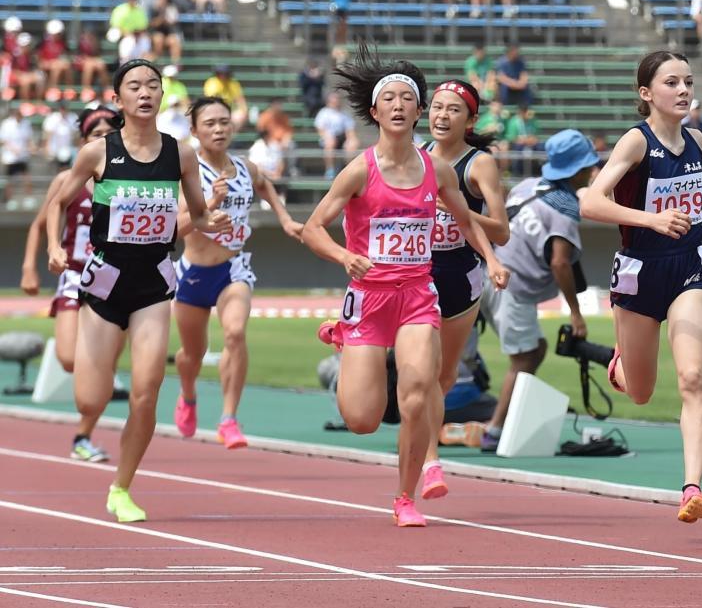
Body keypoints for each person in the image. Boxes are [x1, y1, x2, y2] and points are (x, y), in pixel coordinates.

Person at [303, 44, 508, 527]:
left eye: (406, 98)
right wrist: (343, 254)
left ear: (418, 110)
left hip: (418, 293)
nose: (398, 105)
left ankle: (404, 496)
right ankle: (342, 338)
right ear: (375, 111)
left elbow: (467, 220)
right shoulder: (359, 170)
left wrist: (492, 258)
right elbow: (312, 227)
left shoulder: (435, 170)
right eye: (388, 99)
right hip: (370, 297)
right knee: (362, 419)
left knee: (419, 389)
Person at [579, 51, 702, 524]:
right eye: (672, 83)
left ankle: (692, 488)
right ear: (647, 94)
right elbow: (590, 202)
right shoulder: (635, 143)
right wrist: (651, 219)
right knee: (641, 392)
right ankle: (621, 361)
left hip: (689, 265)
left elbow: (698, 186)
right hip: (638, 271)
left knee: (692, 377)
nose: (683, 90)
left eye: (687, 81)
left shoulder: (697, 139)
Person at [45, 59, 230, 523]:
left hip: (152, 284)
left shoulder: (180, 154)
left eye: (153, 85)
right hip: (105, 283)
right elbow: (58, 203)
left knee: (147, 391)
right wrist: (53, 244)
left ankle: (121, 487)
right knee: (91, 398)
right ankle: (93, 396)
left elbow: (197, 215)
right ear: (118, 98)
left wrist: (213, 216)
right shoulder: (97, 153)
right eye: (135, 86)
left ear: (162, 95)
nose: (145, 92)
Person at [173, 97, 303, 450]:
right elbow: (177, 228)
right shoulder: (189, 172)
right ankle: (187, 395)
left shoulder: (245, 167)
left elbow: (264, 185)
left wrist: (285, 217)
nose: (219, 129)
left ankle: (229, 419)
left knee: (234, 333)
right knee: (192, 354)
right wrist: (209, 207)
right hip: (193, 274)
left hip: (233, 268)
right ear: (195, 130)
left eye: (224, 122)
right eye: (210, 123)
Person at [478, 129, 600, 453]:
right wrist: (576, 314)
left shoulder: (527, 185)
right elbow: (560, 264)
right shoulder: (565, 211)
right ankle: (495, 429)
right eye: (589, 165)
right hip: (513, 287)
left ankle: (502, 419)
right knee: (525, 357)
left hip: (489, 273)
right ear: (576, 171)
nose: (593, 170)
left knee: (536, 348)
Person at [418, 78, 510, 497]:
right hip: (417, 272)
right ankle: (431, 461)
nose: (442, 115)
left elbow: (502, 231)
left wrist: (456, 213)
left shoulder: (479, 164)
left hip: (461, 274)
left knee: (444, 375)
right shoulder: (415, 157)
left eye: (453, 109)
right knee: (420, 368)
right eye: (437, 107)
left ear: (471, 119)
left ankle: (427, 448)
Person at [21, 105, 122, 463]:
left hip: (113, 278)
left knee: (102, 365)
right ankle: (95, 374)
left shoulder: (127, 180)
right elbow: (38, 224)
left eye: (109, 136)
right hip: (75, 273)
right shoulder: (67, 178)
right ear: (84, 141)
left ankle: (84, 435)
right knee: (69, 358)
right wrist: (29, 268)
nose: (103, 142)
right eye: (96, 136)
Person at [314, 91, 360, 179]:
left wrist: (352, 139)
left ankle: (348, 170)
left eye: (337, 99)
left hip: (341, 137)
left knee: (352, 144)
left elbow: (350, 131)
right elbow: (319, 129)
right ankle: (330, 169)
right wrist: (327, 136)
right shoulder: (323, 113)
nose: (336, 101)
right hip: (328, 138)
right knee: (330, 142)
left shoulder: (345, 114)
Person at [1, 106, 36, 207]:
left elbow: (29, 139)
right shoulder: (6, 124)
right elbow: (3, 140)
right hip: (10, 158)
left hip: (23, 156)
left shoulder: (26, 123)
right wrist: (13, 149)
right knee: (10, 180)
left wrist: (32, 147)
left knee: (27, 178)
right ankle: (9, 200)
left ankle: (29, 198)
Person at [203, 64, 248, 131]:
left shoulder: (233, 83)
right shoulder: (212, 82)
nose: (222, 75)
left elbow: (240, 101)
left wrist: (244, 111)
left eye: (225, 73)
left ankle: (230, 136)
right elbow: (210, 101)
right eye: (220, 73)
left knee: (241, 115)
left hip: (229, 111)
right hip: (214, 110)